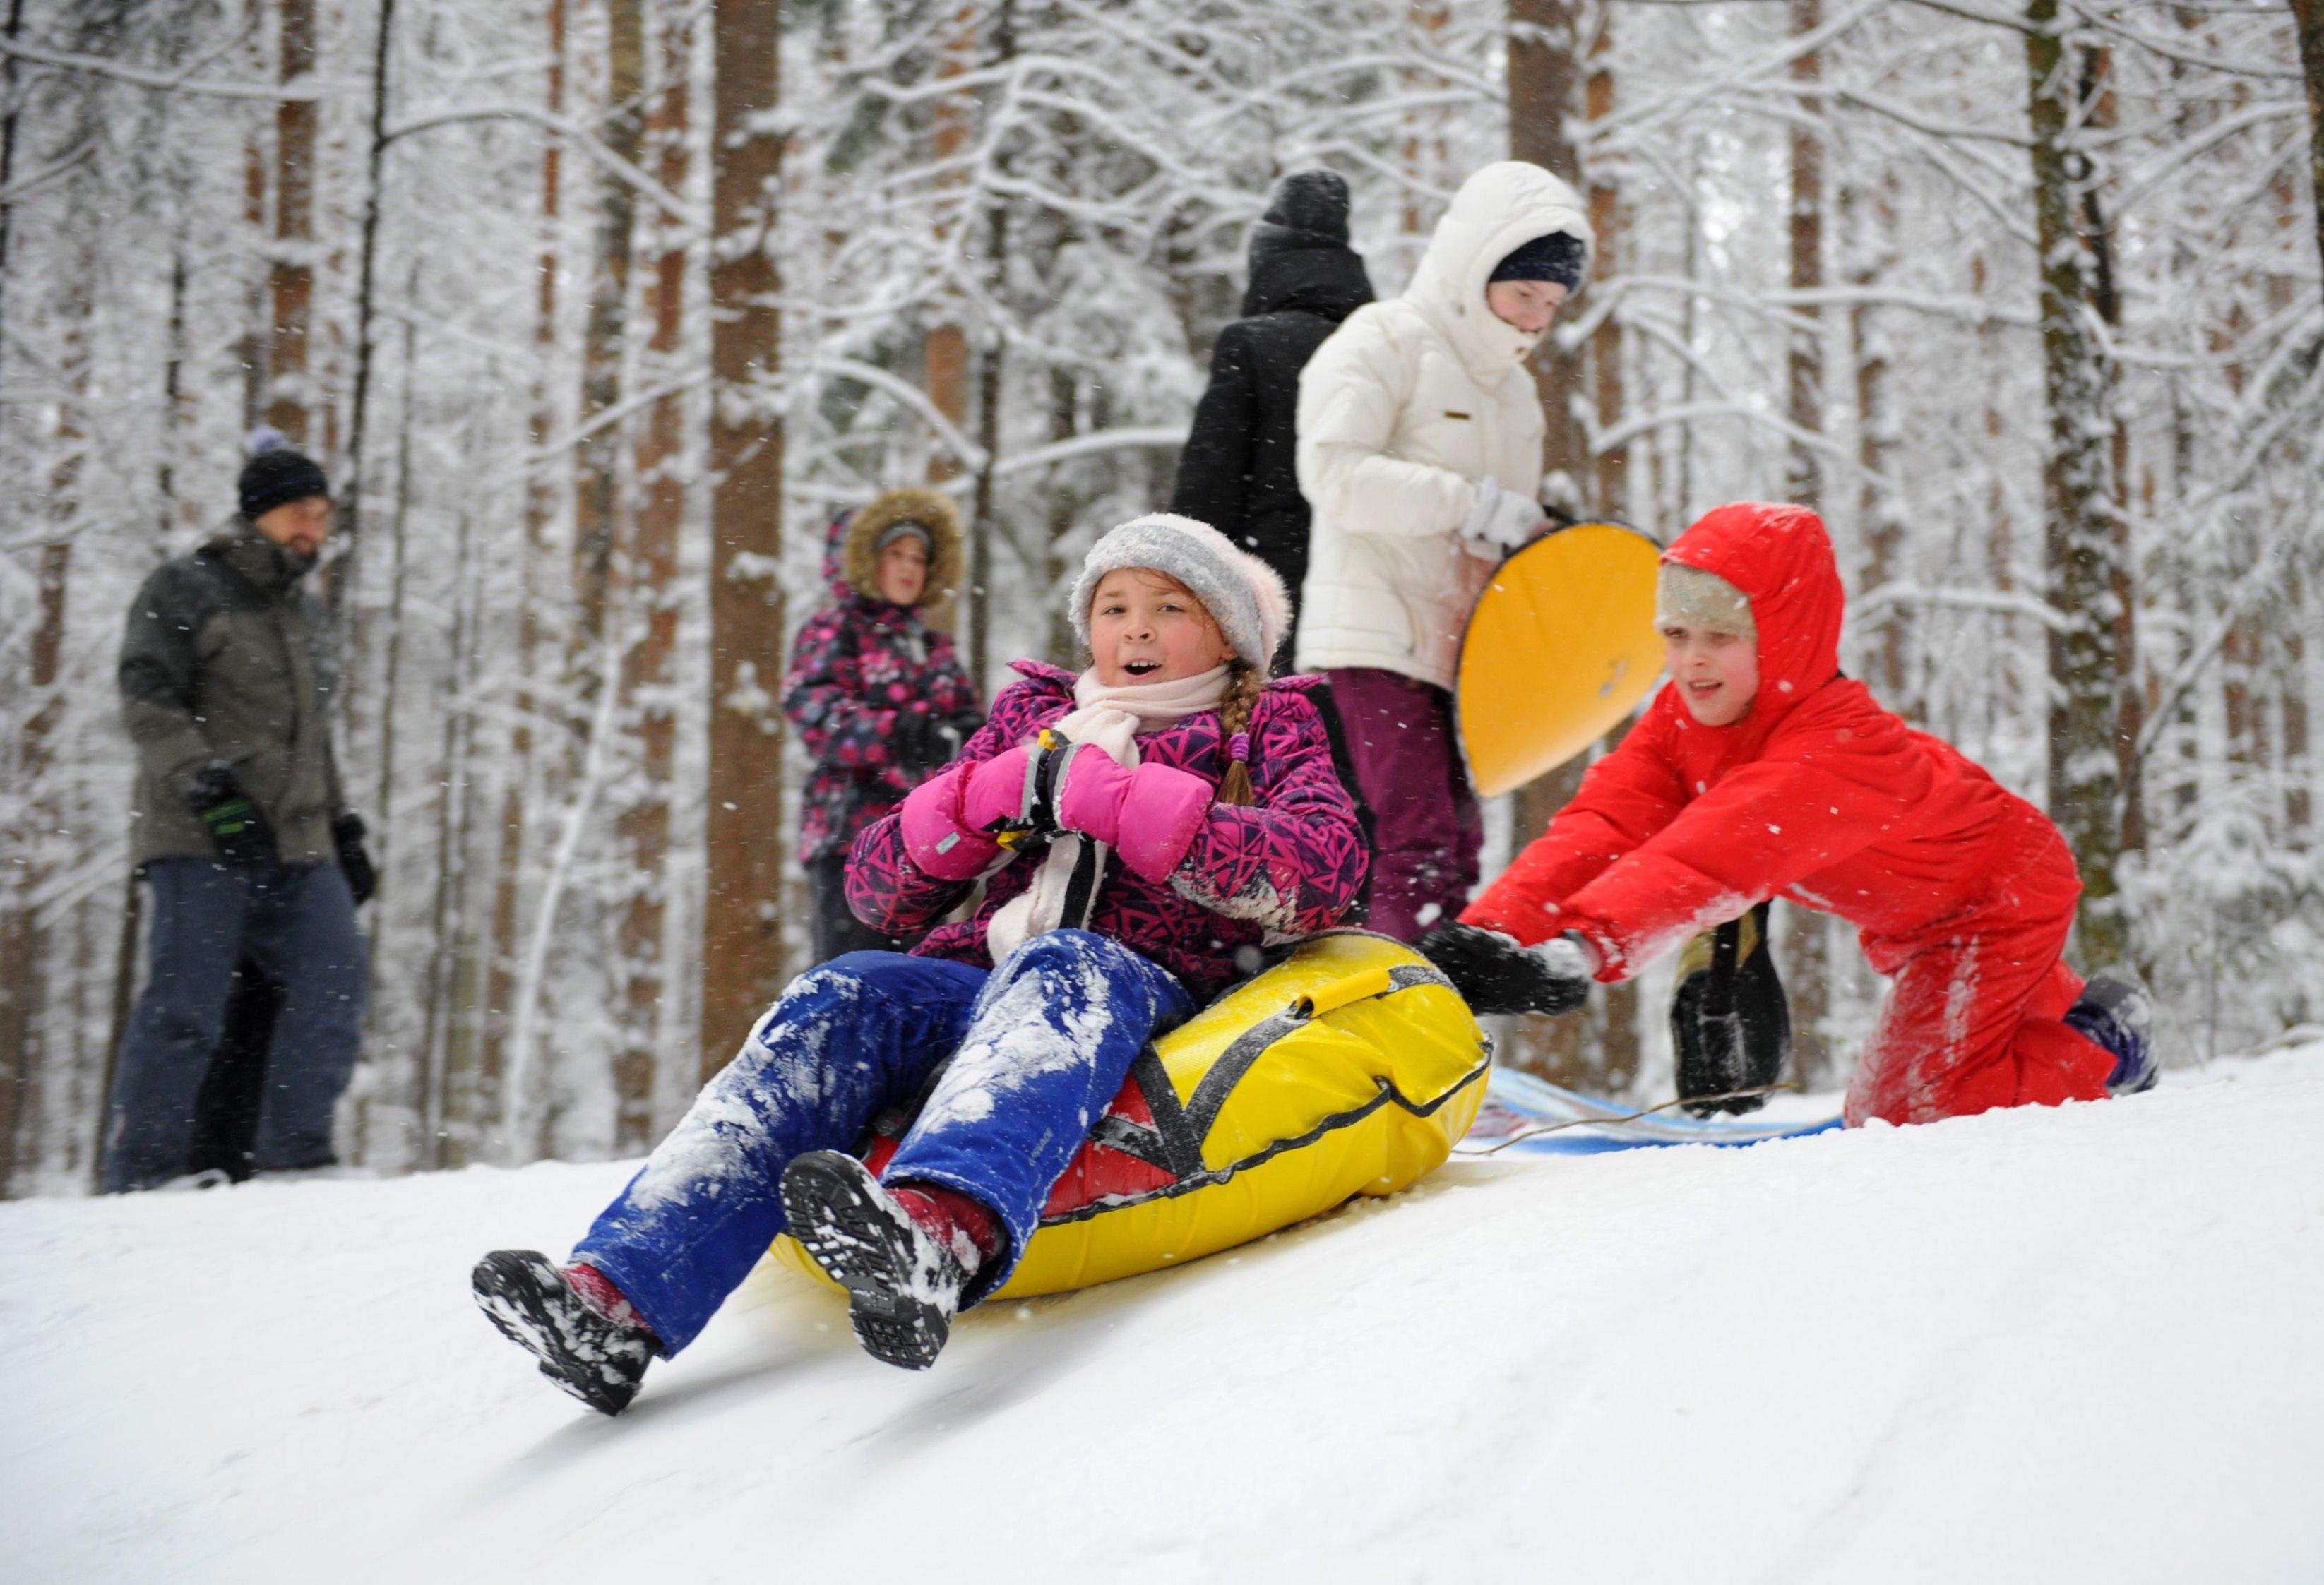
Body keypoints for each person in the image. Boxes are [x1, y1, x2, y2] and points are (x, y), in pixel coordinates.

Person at [472, 513, 1366, 1413]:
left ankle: (939, 1235)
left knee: (1065, 966)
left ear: (1229, 634)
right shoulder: (1036, 717)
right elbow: (878, 889)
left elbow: (1324, 869)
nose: (1134, 628)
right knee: (844, 989)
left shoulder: (1268, 726)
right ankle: (617, 1299)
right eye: (1114, 605)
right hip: (979, 974)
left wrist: (1129, 801)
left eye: (1170, 607)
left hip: (1137, 978)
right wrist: (980, 801)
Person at [1419, 501, 2157, 1128]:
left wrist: (1581, 950)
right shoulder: (1688, 718)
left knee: (1909, 1113)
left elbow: (1708, 856)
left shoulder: (1834, 746)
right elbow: (1605, 826)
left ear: (1786, 634)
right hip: (1924, 906)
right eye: (1676, 635)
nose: (1692, 662)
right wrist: (1491, 935)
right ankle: (2055, 1019)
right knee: (1961, 1050)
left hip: (1996, 899)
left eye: (1720, 637)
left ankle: (2107, 1042)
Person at [1293, 160, 1592, 941]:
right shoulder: (1386, 338)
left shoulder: (1517, 395)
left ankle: (1425, 1013)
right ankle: (1387, 1009)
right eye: (1523, 292)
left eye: (1552, 304)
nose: (1535, 318)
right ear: (1475, 265)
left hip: (1464, 654)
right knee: (1417, 846)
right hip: (1376, 633)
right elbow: (1332, 469)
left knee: (1460, 850)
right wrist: (1473, 503)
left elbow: (1493, 525)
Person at [104, 435, 376, 1193]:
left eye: (323, 515)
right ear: (257, 513)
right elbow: (147, 699)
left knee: (337, 981)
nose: (313, 530)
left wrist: (342, 824)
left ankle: (296, 1159)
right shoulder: (187, 585)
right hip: (200, 837)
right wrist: (208, 789)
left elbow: (308, 736)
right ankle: (143, 1173)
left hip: (298, 843)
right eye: (299, 512)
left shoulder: (307, 612)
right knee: (187, 1004)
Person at [1169, 168, 1374, 664]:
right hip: (1366, 604)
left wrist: (1171, 589)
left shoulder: (1253, 345)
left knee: (1273, 737)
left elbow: (1208, 487)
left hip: (1269, 598)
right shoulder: (1382, 350)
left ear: (1265, 262)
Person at [781, 487, 982, 962]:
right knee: (856, 974)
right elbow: (814, 711)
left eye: (919, 557)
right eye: (896, 553)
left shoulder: (934, 647)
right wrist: (904, 733)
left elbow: (970, 726)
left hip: (926, 842)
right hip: (849, 834)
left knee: (917, 979)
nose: (910, 567)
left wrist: (964, 735)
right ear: (866, 558)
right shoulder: (834, 629)